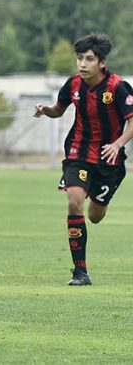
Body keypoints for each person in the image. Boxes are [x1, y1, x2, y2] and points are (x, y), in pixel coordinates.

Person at [34, 33, 133, 286]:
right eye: (80, 58)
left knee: (95, 216)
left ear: (102, 63)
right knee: (74, 201)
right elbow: (59, 110)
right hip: (78, 152)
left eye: (89, 59)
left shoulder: (118, 88)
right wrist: (46, 111)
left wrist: (118, 143)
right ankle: (80, 272)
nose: (82, 64)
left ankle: (99, 198)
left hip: (108, 160)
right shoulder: (73, 84)